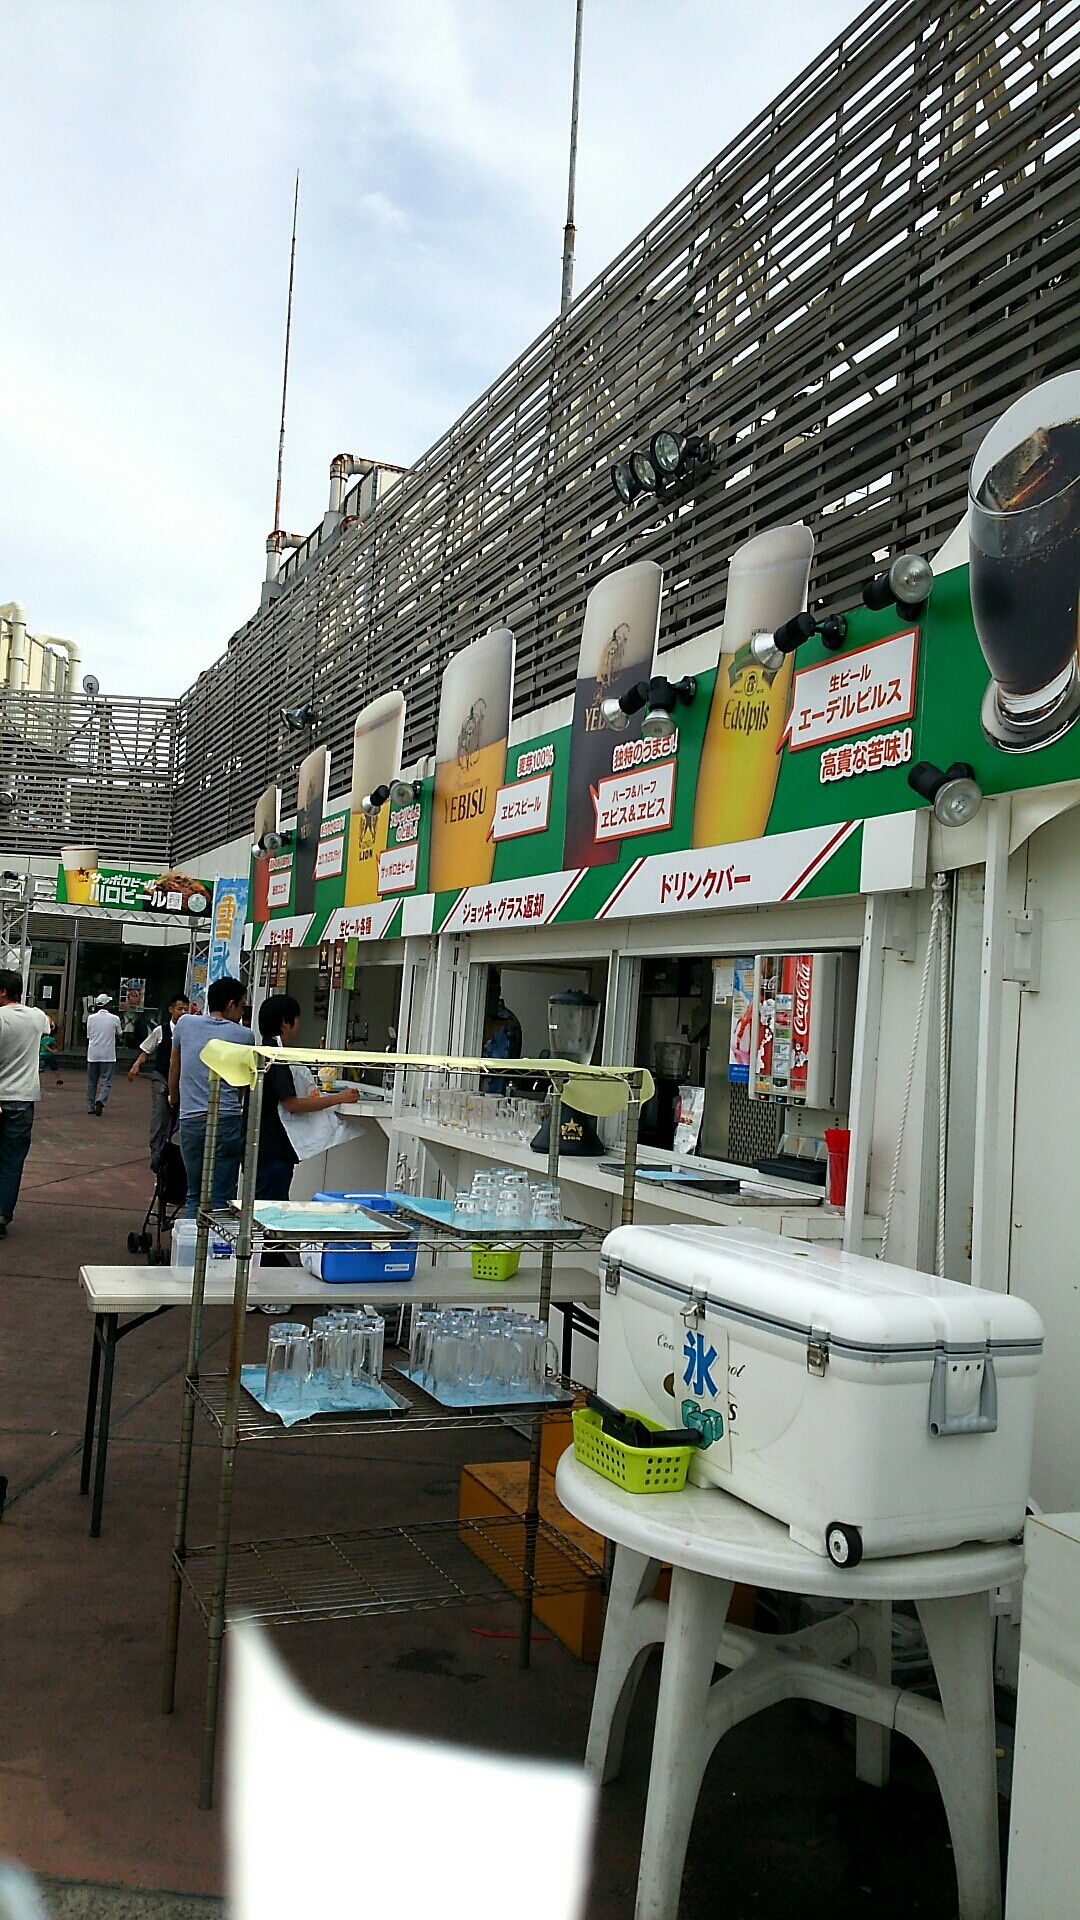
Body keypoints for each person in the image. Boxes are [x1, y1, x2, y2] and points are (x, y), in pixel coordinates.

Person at [255, 994, 360, 1199]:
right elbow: (292, 1104)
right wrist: (337, 1098)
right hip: (273, 1150)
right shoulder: (276, 1059)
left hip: (263, 1147)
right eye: (297, 1019)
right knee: (270, 1208)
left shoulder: (264, 1052)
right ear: (286, 1022)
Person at [168, 975, 255, 1218]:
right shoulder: (244, 1036)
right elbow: (242, 1083)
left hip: (191, 1118)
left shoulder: (185, 1024)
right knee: (220, 1194)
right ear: (231, 1004)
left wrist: (174, 1096)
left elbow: (175, 1065)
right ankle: (214, 1251)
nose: (241, 1011)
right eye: (241, 1005)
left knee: (194, 1192)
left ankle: (188, 1248)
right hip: (227, 1118)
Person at [0, 969, 51, 1237]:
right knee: (12, 1159)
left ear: (3, 991)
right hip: (23, 1098)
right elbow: (49, 1027)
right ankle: (2, 1213)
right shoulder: (37, 1016)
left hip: (1, 1094)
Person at [128, 992, 189, 1165]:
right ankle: (156, 1154)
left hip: (181, 1082)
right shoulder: (161, 1030)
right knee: (160, 1115)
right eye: (179, 1009)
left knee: (179, 1118)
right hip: (161, 1078)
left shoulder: (189, 1032)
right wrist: (136, 1065)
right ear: (171, 1009)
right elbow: (147, 1050)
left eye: (186, 1009)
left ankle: (173, 1152)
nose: (183, 1012)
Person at [85, 992, 122, 1115]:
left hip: (93, 1054)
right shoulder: (115, 1019)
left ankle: (90, 1106)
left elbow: (89, 1035)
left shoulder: (91, 1018)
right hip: (108, 1054)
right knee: (106, 1080)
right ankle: (101, 1099)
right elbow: (119, 1033)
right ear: (107, 1005)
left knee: (91, 1081)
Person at [38, 1018, 62, 1085]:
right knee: (55, 1067)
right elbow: (46, 1045)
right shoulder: (52, 1039)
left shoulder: (42, 1038)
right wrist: (52, 1050)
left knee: (40, 1066)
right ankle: (58, 1079)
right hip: (49, 1055)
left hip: (42, 1055)